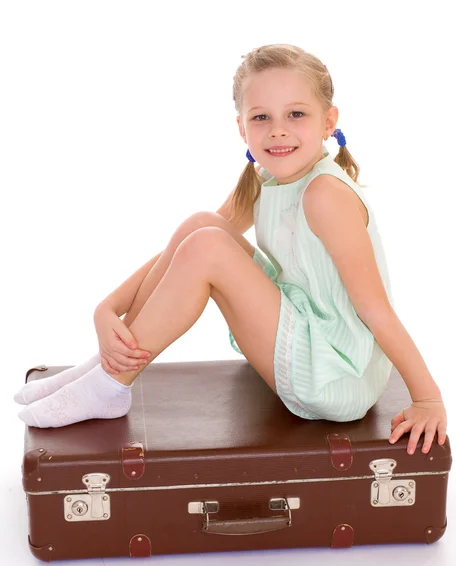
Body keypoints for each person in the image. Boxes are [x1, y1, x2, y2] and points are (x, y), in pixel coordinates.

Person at [14, 43, 447, 456]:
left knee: (209, 245)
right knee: (202, 225)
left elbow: (375, 308)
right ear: (242, 126)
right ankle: (106, 364)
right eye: (261, 117)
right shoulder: (266, 181)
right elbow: (186, 243)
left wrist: (427, 397)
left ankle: (111, 382)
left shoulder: (324, 195)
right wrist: (107, 308)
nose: (277, 129)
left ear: (329, 121)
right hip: (311, 341)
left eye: (296, 113)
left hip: (335, 377)